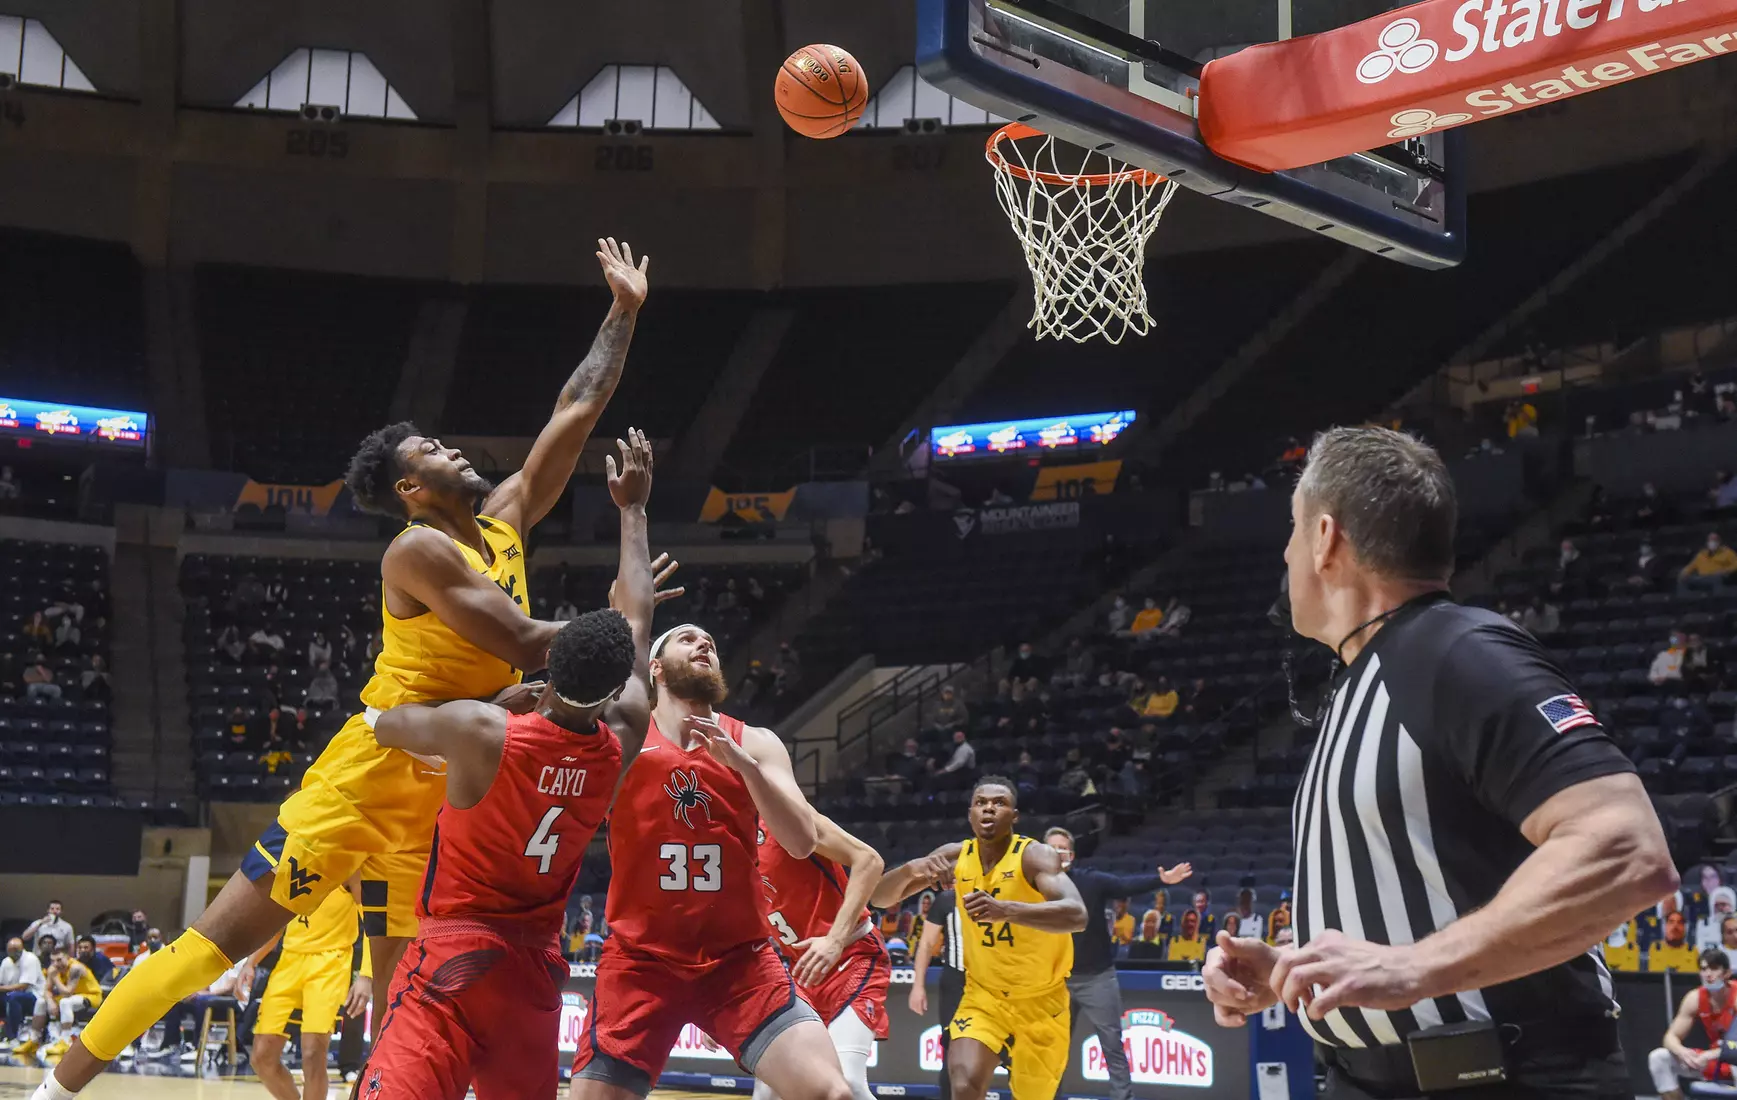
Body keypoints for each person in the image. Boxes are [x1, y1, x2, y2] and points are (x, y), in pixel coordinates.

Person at [39, 239, 656, 1100]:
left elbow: (576, 407)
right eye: (432, 450)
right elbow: (523, 640)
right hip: (373, 772)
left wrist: (622, 312)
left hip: (451, 791)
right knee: (207, 950)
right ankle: (56, 1088)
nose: (452, 449)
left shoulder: (505, 520)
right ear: (410, 490)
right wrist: (623, 625)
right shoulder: (416, 551)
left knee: (413, 998)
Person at [1202, 426, 1675, 1099]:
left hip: (1505, 1077)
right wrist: (1293, 970)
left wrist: (1412, 967)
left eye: (1292, 529)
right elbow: (1428, 900)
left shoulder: (1456, 650)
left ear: (1325, 538)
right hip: (1366, 1078)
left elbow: (1626, 851)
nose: (1285, 552)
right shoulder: (1369, 677)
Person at [354, 433, 657, 1100]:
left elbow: (384, 721)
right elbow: (637, 628)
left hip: (453, 958)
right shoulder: (623, 737)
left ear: (545, 674)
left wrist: (473, 702)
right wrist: (633, 515)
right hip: (535, 972)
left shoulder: (482, 729)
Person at [570, 619, 854, 1100]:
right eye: (687, 638)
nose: (703, 644)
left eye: (711, 643)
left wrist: (745, 769)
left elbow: (801, 842)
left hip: (738, 962)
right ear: (656, 668)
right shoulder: (625, 741)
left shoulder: (755, 742)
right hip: (641, 961)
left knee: (834, 1094)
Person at [869, 778, 1088, 1100]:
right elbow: (879, 898)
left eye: (999, 803)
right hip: (984, 996)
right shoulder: (954, 857)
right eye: (981, 802)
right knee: (964, 1083)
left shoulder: (1035, 856)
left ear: (1014, 816)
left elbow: (1077, 915)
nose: (989, 808)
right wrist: (911, 869)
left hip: (1042, 1000)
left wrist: (1007, 910)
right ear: (970, 813)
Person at [1041, 827, 1189, 1100]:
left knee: (1112, 1046)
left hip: (1097, 978)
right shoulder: (1032, 887)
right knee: (1052, 1050)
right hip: (1055, 983)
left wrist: (1161, 879)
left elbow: (1124, 885)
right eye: (1052, 847)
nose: (1058, 852)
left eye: (1063, 848)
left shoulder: (1091, 880)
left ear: (1072, 855)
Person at [754, 814, 890, 1100]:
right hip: (803, 970)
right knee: (769, 1088)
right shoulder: (729, 842)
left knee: (847, 1082)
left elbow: (869, 861)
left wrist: (835, 940)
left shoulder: (784, 817)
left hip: (852, 954)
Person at [246, 883, 371, 1100]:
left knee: (313, 1053)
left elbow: (372, 920)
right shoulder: (291, 867)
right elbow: (276, 923)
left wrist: (366, 975)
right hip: (289, 962)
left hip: (330, 962)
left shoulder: (349, 869)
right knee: (262, 1057)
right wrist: (251, 962)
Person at [1648, 948, 1737, 1100]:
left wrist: (1713, 1054)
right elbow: (1670, 1037)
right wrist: (1682, 1052)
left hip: (1732, 1059)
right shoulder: (1695, 998)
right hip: (1714, 1061)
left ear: (1727, 973)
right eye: (1703, 969)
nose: (1708, 974)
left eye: (1714, 968)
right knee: (1659, 1058)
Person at [907, 889, 967, 1100]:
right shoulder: (948, 899)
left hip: (994, 982)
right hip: (956, 982)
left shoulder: (1003, 892)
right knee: (951, 1052)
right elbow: (925, 944)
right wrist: (918, 986)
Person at [0, 938, 45, 1047]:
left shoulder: (30, 959)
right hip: (11, 994)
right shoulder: (6, 962)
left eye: (16, 950)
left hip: (35, 996)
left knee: (13, 997)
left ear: (21, 949)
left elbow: (24, 986)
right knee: (10, 997)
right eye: (10, 950)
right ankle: (3, 1034)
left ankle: (13, 1037)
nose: (13, 953)